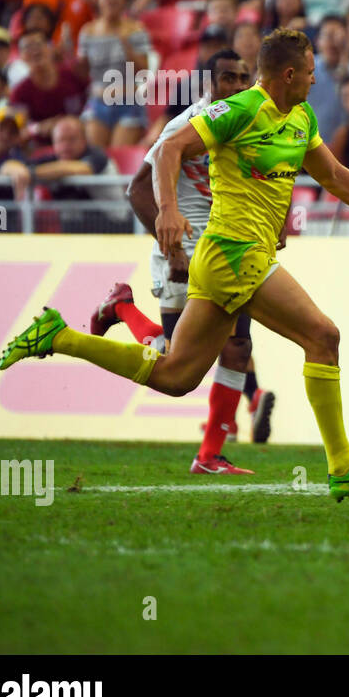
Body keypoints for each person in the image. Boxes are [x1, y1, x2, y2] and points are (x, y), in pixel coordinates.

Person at [0, 29, 349, 503]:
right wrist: (168, 209)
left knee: (176, 376)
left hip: (235, 257)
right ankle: (343, 466)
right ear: (289, 74)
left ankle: (58, 336)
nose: (314, 78)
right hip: (233, 254)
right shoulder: (239, 110)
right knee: (322, 337)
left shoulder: (300, 116)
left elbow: (333, 176)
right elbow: (169, 148)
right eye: (309, 71)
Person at [89, 49, 278, 469]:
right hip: (185, 248)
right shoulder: (184, 127)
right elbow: (139, 190)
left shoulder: (244, 122)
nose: (237, 86)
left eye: (243, 78)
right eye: (227, 78)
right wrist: (171, 247)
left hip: (227, 247)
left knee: (237, 347)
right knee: (178, 359)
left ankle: (210, 456)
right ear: (208, 84)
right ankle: (121, 308)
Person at [76, 0, 151, 149]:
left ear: (124, 1)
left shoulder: (136, 29)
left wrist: (127, 48)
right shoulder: (88, 31)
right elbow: (82, 73)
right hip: (98, 100)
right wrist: (69, 56)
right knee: (97, 158)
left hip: (128, 101)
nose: (112, 0)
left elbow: (144, 71)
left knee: (119, 157)